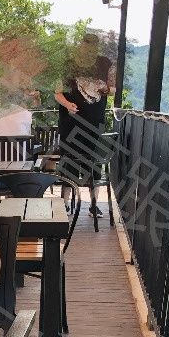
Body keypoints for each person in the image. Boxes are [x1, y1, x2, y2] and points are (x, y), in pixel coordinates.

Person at [55, 33, 116, 213]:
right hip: (69, 124)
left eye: (92, 46)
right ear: (80, 46)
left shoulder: (104, 63)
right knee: (68, 162)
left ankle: (94, 205)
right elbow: (57, 92)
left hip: (95, 124)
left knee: (94, 164)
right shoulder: (68, 65)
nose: (89, 50)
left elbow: (114, 89)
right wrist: (68, 104)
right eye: (86, 46)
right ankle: (65, 204)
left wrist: (106, 88)